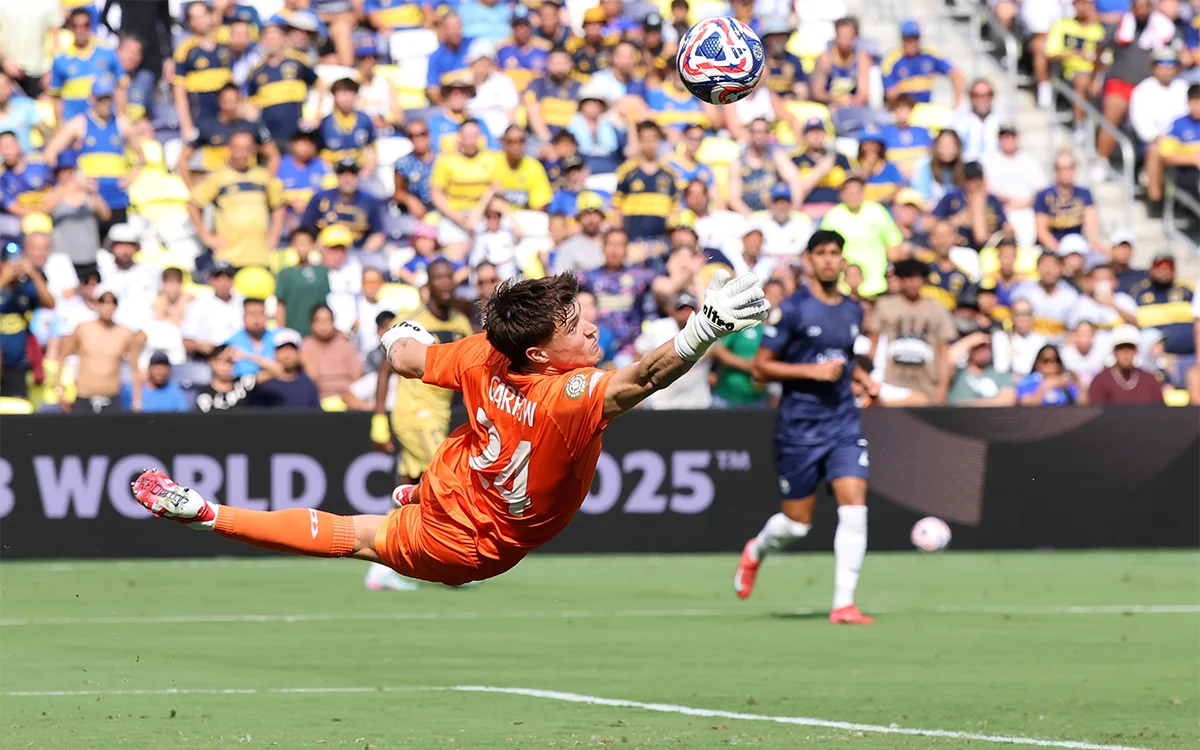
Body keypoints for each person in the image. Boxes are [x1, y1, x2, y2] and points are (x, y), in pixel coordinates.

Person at [130, 269, 770, 589]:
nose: (591, 330)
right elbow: (646, 378)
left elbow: (407, 357)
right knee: (358, 537)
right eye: (575, 328)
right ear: (542, 355)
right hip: (475, 542)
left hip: (462, 477)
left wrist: (395, 331)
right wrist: (703, 327)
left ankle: (415, 493)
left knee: (431, 474)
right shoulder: (565, 395)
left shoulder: (482, 352)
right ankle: (211, 515)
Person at [734, 230, 874, 624]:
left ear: (843, 261)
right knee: (796, 525)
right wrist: (811, 372)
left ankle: (843, 604)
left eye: (835, 253)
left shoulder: (852, 310)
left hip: (843, 421)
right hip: (799, 426)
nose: (829, 260)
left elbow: (842, 362)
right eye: (822, 253)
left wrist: (863, 381)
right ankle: (756, 551)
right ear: (809, 260)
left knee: (854, 506)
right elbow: (761, 367)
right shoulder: (792, 309)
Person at [867, 258, 955, 405]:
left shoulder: (937, 309)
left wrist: (942, 388)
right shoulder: (885, 306)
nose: (912, 283)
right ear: (900, 280)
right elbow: (873, 344)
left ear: (923, 280)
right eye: (907, 278)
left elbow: (944, 352)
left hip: (927, 385)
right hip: (891, 385)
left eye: (916, 278)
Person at [55, 288, 140, 415]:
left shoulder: (125, 334)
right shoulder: (83, 329)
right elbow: (63, 357)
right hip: (84, 397)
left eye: (112, 303)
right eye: (104, 302)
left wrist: (137, 400)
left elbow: (135, 370)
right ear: (97, 305)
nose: (108, 307)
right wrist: (59, 391)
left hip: (111, 397)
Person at [0, 241, 54, 398]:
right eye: (9, 262)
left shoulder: (26, 288)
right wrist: (4, 278)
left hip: (18, 364)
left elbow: (50, 303)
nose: (14, 266)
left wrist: (34, 274)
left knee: (17, 411)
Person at [247, 328, 321, 409]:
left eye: (291, 350)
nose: (287, 355)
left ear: (298, 353)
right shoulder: (264, 385)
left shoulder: (308, 385)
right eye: (282, 350)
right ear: (275, 353)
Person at [1089, 325, 1164, 404]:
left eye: (1130, 348)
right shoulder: (1100, 381)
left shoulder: (1149, 380)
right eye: (1121, 348)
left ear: (1136, 351)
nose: (1126, 353)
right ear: (1114, 351)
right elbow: (1096, 412)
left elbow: (1159, 412)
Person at [945, 332, 1016, 406]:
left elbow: (1008, 400)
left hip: (988, 416)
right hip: (955, 416)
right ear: (970, 350)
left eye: (987, 348)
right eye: (978, 348)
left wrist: (967, 405)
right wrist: (970, 340)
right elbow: (946, 360)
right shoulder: (958, 373)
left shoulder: (1000, 375)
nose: (983, 352)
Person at [1017, 344, 1085, 405]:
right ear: (1037, 363)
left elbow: (1083, 403)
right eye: (1046, 360)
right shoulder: (1028, 381)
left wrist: (1077, 383)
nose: (1052, 364)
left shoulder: (1065, 382)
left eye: (1056, 360)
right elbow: (1025, 406)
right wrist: (1045, 387)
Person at [124, 351, 189, 412]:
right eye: (157, 368)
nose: (161, 372)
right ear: (149, 369)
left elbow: (182, 415)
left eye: (164, 368)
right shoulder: (131, 389)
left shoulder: (175, 390)